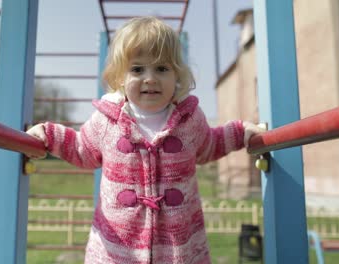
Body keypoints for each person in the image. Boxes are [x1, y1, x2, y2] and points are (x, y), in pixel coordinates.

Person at [27, 16, 262, 264]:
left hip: (178, 251)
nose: (150, 78)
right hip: (117, 251)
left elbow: (210, 144)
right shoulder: (107, 120)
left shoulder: (189, 119)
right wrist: (49, 134)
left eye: (161, 68)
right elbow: (80, 148)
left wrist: (239, 132)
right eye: (138, 69)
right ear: (120, 77)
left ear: (177, 75)